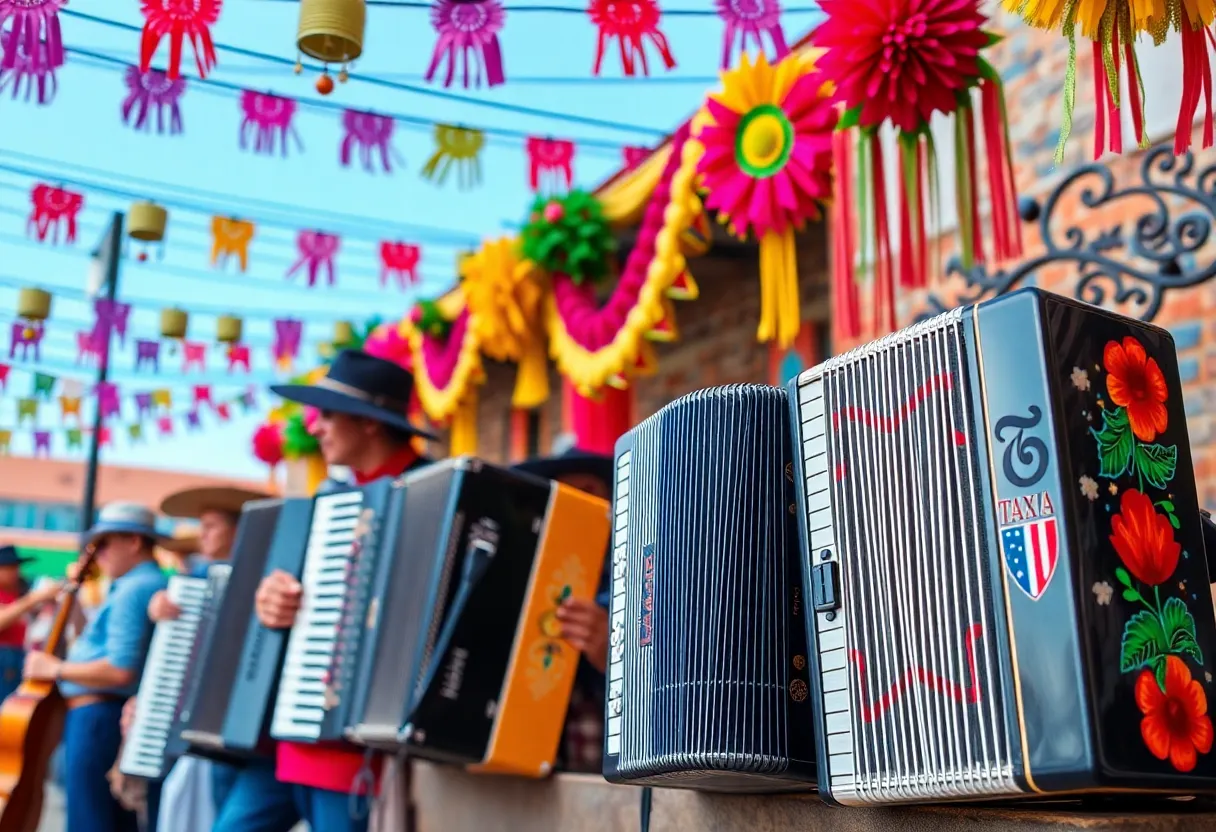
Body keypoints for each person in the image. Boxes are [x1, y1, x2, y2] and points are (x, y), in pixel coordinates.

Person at [213, 349, 436, 832]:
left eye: (328, 415)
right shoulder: (329, 500)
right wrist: (270, 601)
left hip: (359, 753)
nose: (315, 428)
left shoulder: (433, 491)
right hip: (286, 736)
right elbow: (281, 592)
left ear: (369, 423)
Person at [128, 484, 270, 832]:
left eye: (211, 526)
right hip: (205, 727)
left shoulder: (266, 575)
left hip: (250, 728)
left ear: (237, 530)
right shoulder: (195, 581)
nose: (201, 535)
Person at [24, 502, 169, 832]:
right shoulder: (135, 584)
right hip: (101, 715)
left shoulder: (134, 588)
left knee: (90, 821)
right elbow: (93, 645)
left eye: (104, 544)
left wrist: (55, 669)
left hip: (99, 716)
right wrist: (71, 598)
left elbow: (120, 669)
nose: (97, 553)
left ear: (134, 542)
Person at [514, 443, 613, 773]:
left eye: (589, 491)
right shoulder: (530, 570)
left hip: (609, 762)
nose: (579, 504)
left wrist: (617, 657)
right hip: (538, 760)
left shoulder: (648, 571)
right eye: (563, 496)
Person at [0, 545, 61, 701]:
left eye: (15, 567)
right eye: (9, 568)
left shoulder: (15, 592)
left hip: (16, 655)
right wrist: (36, 598)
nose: (15, 572)